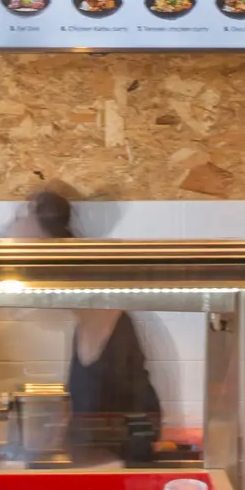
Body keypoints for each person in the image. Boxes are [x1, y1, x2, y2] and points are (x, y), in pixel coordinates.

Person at [26, 188, 164, 463]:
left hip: (118, 476)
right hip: (93, 468)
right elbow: (88, 415)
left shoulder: (111, 323)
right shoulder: (84, 325)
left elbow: (141, 425)